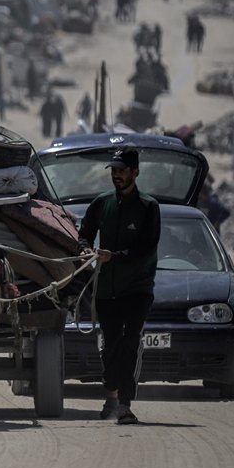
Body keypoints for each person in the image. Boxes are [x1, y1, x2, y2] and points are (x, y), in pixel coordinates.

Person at [77, 147, 161, 426]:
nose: (117, 176)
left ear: (135, 172)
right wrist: (86, 250)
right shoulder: (101, 204)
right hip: (106, 290)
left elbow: (146, 248)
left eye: (121, 171)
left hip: (137, 290)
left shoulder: (149, 207)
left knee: (130, 343)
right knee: (110, 345)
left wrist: (115, 256)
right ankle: (111, 394)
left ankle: (124, 403)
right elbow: (84, 235)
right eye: (113, 171)